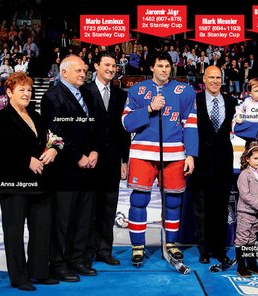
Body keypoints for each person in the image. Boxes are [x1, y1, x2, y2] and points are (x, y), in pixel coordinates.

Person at [122, 51, 198, 264]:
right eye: (160, 65)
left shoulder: (184, 90)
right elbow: (126, 123)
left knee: (173, 201)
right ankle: (137, 246)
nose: (164, 69)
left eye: (167, 66)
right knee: (138, 200)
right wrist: (149, 108)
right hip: (142, 153)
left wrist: (190, 154)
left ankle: (171, 243)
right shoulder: (138, 90)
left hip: (174, 153)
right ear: (152, 68)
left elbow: (190, 123)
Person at [0, 72, 60, 291]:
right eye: (21, 89)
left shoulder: (36, 116)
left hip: (40, 184)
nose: (27, 93)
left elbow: (55, 138)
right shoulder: (0, 118)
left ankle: (39, 271)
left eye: (29, 89)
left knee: (41, 228)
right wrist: (26, 161)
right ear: (9, 92)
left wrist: (53, 150)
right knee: (14, 231)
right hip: (13, 185)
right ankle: (19, 277)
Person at [41, 55, 98, 282]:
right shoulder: (52, 97)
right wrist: (78, 157)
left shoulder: (87, 94)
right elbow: (56, 132)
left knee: (83, 218)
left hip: (88, 167)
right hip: (65, 170)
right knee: (62, 219)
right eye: (78, 71)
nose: (83, 74)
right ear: (64, 73)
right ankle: (57, 263)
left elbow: (94, 126)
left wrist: (94, 151)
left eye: (84, 71)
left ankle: (76, 259)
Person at [84, 51, 130, 266]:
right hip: (90, 162)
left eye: (114, 66)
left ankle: (104, 250)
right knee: (89, 208)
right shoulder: (84, 92)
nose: (111, 69)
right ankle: (86, 251)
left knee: (108, 208)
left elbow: (123, 132)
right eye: (107, 65)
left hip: (112, 161)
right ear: (96, 66)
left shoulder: (121, 96)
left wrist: (124, 160)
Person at [190, 65, 236, 264]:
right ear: (204, 79)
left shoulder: (232, 102)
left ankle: (220, 249)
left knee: (220, 207)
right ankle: (205, 249)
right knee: (202, 208)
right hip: (201, 162)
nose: (215, 81)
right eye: (211, 77)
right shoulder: (195, 101)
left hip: (224, 161)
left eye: (218, 77)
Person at [234, 143, 258, 278]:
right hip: (245, 213)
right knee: (242, 239)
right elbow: (245, 195)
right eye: (256, 158)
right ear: (248, 159)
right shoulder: (244, 175)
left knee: (252, 240)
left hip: (256, 214)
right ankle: (241, 267)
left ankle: (252, 264)